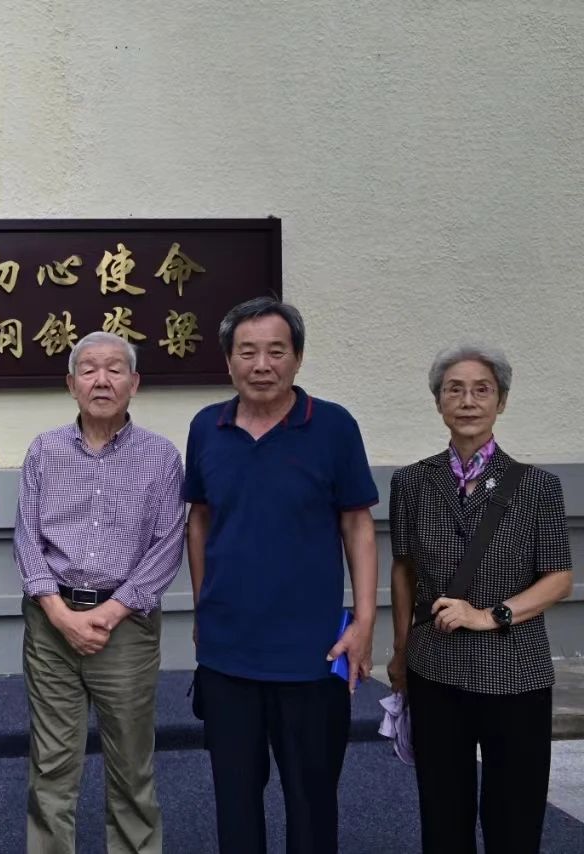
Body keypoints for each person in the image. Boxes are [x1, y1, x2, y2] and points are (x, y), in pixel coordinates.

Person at [184, 296, 379, 854]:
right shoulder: (207, 427)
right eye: (247, 352)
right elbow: (199, 520)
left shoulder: (334, 426)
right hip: (228, 656)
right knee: (235, 803)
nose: (261, 365)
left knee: (312, 803)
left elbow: (357, 525)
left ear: (297, 358)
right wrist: (202, 607)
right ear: (228, 361)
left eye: (276, 351)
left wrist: (365, 622)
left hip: (311, 655)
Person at [387, 344, 573, 854]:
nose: (467, 401)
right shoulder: (411, 482)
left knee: (513, 820)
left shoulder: (538, 486)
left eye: (481, 390)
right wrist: (400, 650)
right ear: (438, 402)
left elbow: (559, 578)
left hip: (516, 672)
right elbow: (404, 569)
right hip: (434, 669)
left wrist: (491, 616)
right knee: (443, 817)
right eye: (455, 390)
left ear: (501, 401)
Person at [14, 331, 185, 854]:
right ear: (71, 384)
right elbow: (26, 538)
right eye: (89, 369)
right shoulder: (44, 451)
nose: (102, 380)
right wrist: (59, 614)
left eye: (115, 369)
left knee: (131, 765)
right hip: (51, 626)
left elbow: (168, 546)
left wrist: (109, 614)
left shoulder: (161, 457)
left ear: (135, 383)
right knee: (51, 765)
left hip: (126, 628)